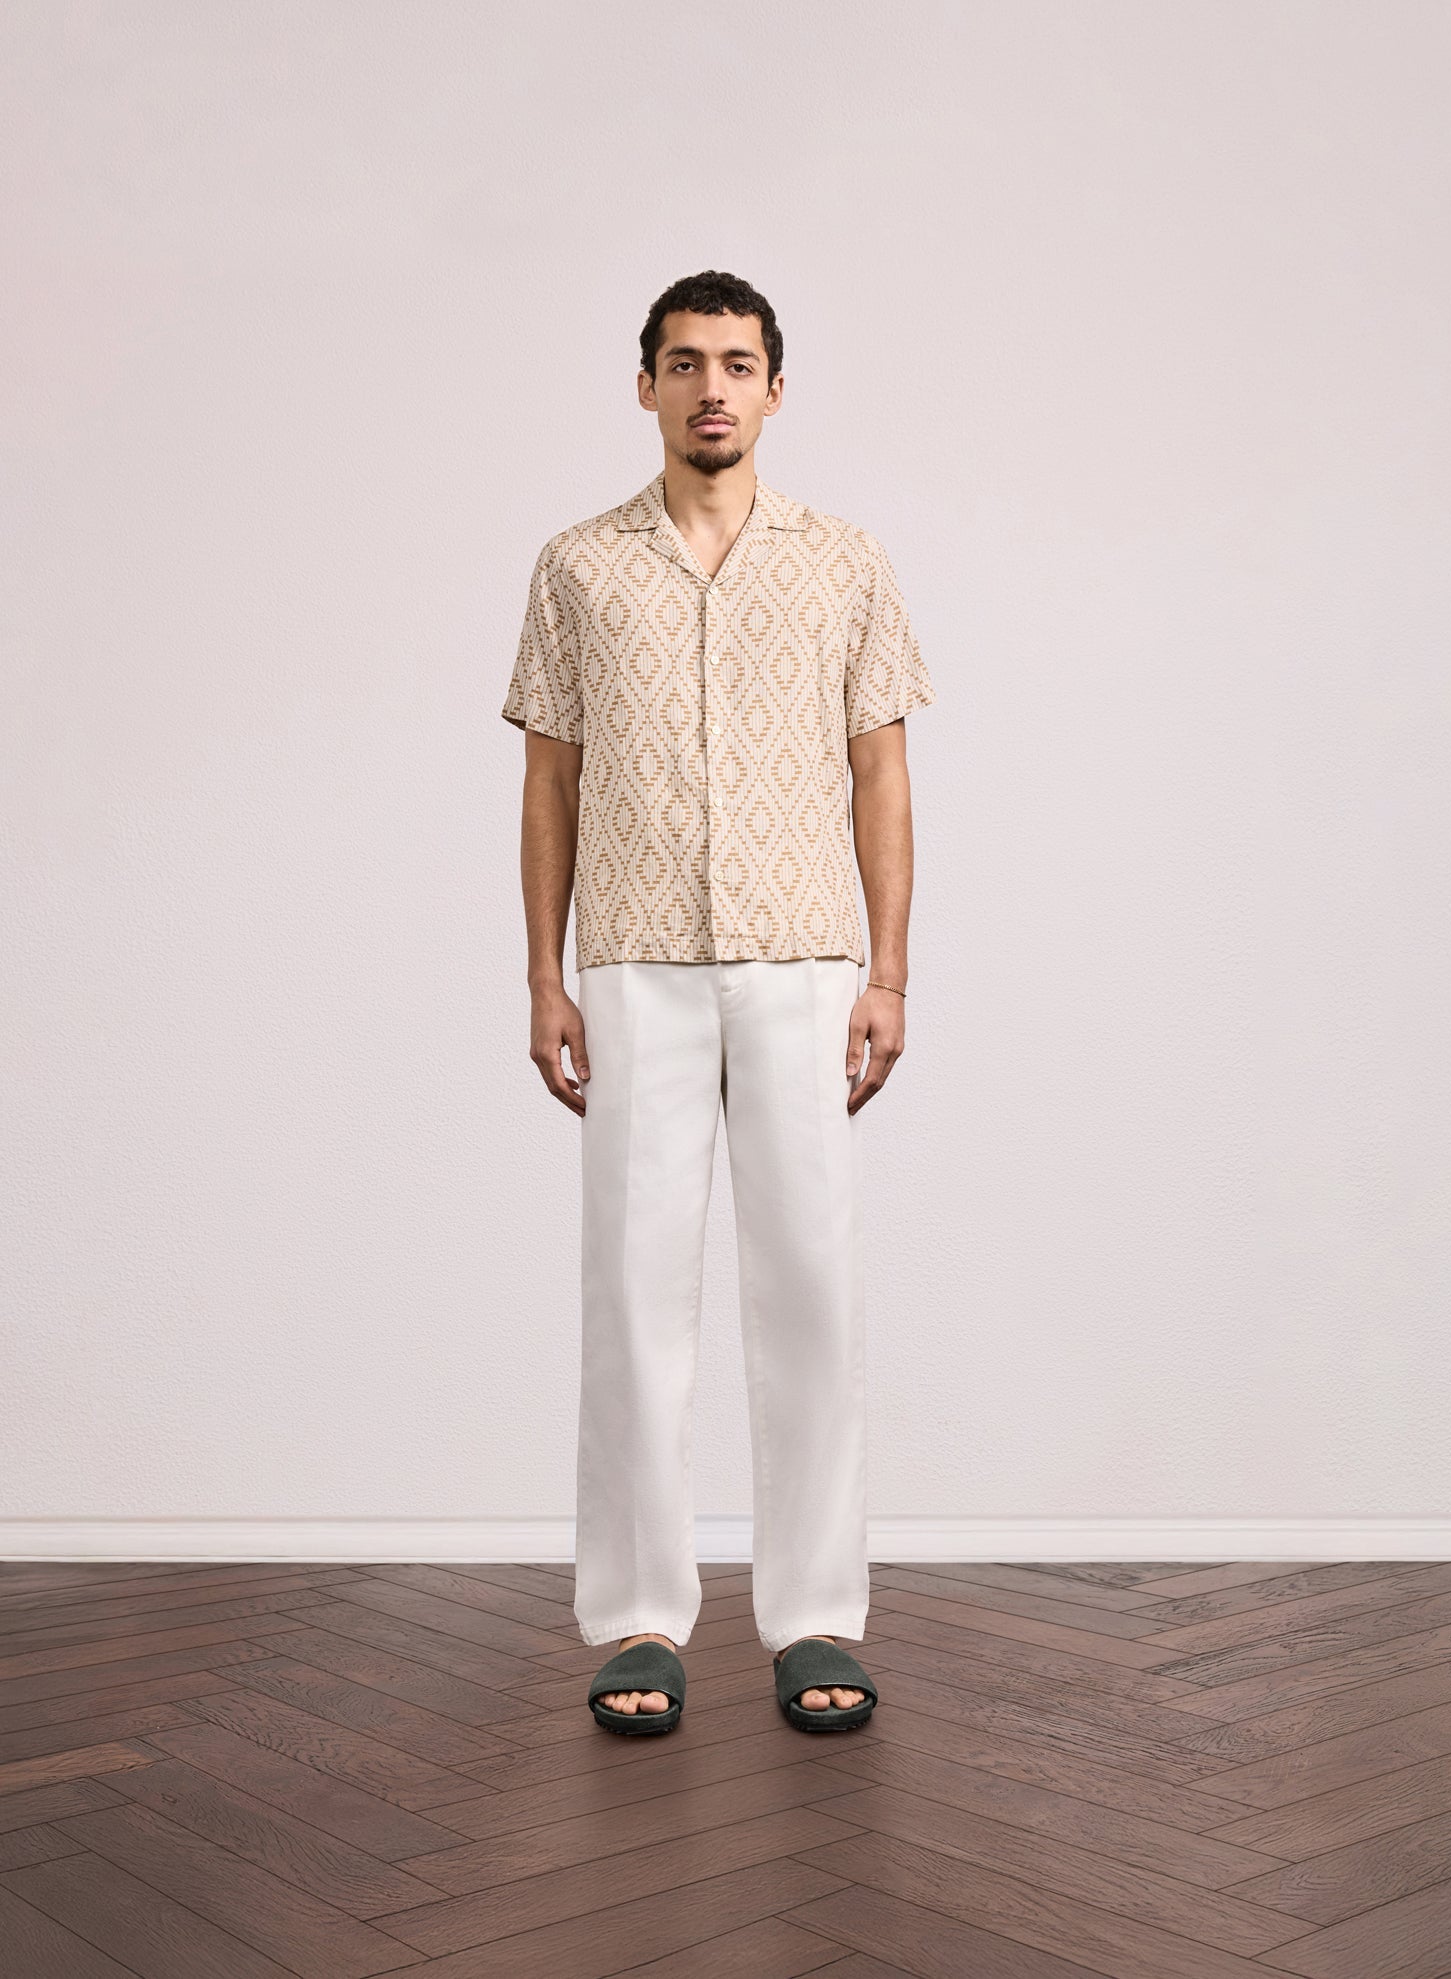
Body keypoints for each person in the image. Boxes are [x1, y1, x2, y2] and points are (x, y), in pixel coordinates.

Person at [502, 269, 935, 1736]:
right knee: (634, 1298)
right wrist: (545, 976)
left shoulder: (846, 562)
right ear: (646, 387)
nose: (711, 388)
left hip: (804, 962)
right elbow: (548, 783)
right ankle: (637, 1615)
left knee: (811, 1290)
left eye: (737, 364)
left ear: (775, 390)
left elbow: (883, 773)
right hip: (632, 963)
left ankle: (816, 1617)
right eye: (684, 363)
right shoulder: (577, 568)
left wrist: (887, 971)